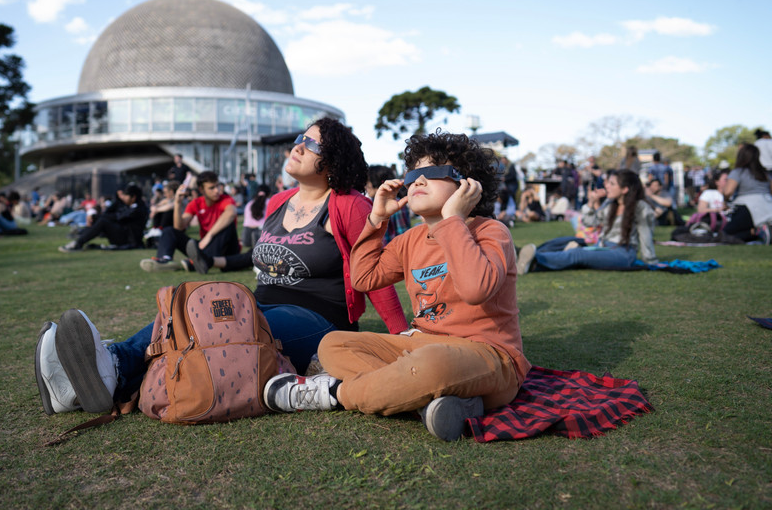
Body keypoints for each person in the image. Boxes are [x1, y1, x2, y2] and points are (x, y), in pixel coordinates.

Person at [35, 118, 408, 415]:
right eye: (300, 137)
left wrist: (399, 339)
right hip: (260, 303)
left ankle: (108, 369)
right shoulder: (278, 201)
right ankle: (92, 375)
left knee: (215, 325)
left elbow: (373, 274)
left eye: (311, 143)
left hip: (319, 318)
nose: (297, 146)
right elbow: (262, 256)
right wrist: (219, 263)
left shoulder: (350, 204)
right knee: (189, 308)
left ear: (334, 161)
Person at [261, 131, 529, 443]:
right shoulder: (411, 239)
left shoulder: (491, 232)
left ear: (468, 185)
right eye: (413, 174)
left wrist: (452, 220)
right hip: (420, 345)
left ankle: (334, 393)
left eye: (433, 172)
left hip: (489, 355)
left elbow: (475, 290)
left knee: (431, 365)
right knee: (333, 345)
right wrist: (376, 221)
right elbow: (364, 279)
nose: (418, 181)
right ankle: (437, 401)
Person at [517, 169, 658, 274]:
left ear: (625, 189)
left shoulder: (641, 208)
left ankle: (534, 258)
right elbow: (589, 222)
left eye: (612, 183)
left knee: (577, 254)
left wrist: (650, 262)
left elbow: (646, 237)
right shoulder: (610, 204)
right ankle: (529, 260)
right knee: (568, 241)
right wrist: (591, 203)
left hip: (623, 254)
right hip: (602, 247)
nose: (606, 186)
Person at [139, 170, 239, 272]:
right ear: (201, 190)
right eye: (212, 188)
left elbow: (231, 213)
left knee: (228, 224)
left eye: (217, 186)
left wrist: (209, 235)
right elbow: (179, 227)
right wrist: (177, 203)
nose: (217, 190)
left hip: (227, 248)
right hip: (205, 247)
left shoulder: (226, 199)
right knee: (169, 231)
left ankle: (197, 262)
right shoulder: (196, 203)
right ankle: (165, 260)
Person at [59, 184, 147, 251]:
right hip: (124, 235)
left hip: (129, 240)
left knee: (103, 221)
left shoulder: (138, 208)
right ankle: (80, 236)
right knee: (100, 220)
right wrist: (94, 217)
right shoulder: (131, 205)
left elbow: (119, 217)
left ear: (133, 197)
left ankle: (78, 243)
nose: (123, 197)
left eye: (126, 195)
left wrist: (96, 216)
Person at [721, 143, 772, 244]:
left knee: (726, 234)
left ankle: (757, 232)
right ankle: (762, 232)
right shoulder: (765, 174)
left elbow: (728, 191)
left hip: (747, 208)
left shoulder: (738, 172)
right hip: (768, 206)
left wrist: (725, 201)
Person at [366, 164, 411, 245]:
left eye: (368, 182)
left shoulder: (395, 204)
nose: (366, 186)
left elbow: (403, 236)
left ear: (376, 181)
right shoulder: (370, 204)